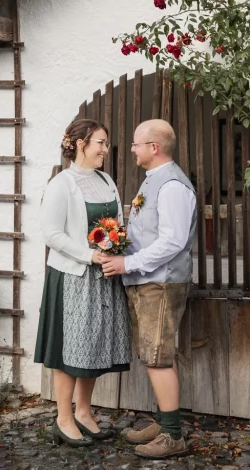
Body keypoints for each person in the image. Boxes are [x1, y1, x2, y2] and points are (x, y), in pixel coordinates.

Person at [100, 118, 196, 460]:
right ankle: (163, 421)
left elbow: (173, 241)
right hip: (147, 282)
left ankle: (173, 436)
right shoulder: (153, 181)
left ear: (154, 148)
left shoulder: (171, 186)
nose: (131, 149)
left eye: (137, 143)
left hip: (162, 284)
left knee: (158, 358)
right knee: (152, 356)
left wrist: (128, 263)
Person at [34, 118, 131, 447]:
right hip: (72, 277)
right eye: (100, 142)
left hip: (103, 278)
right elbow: (52, 234)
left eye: (105, 143)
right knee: (68, 350)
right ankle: (63, 418)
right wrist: (89, 255)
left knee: (90, 348)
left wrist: (115, 247)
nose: (106, 149)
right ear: (80, 145)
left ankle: (84, 412)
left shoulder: (106, 181)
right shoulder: (62, 183)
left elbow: (116, 223)